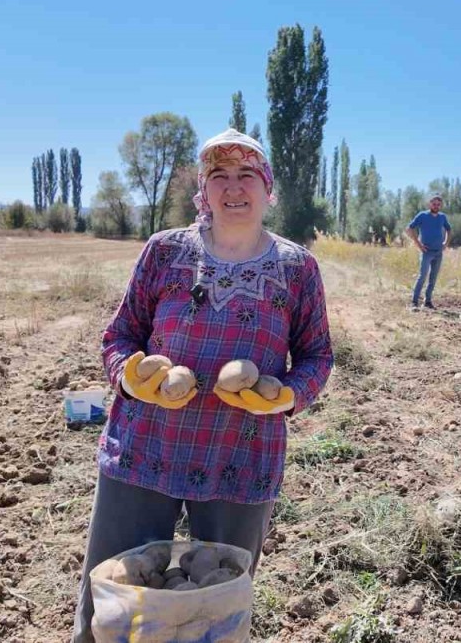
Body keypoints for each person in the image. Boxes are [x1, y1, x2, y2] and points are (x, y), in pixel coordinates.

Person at [72, 128, 333, 642]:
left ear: (267, 188)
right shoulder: (164, 252)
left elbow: (317, 356)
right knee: (115, 601)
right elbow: (119, 334)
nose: (233, 188)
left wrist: (286, 395)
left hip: (240, 457)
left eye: (246, 176)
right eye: (219, 176)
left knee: (217, 601)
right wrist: (130, 377)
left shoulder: (298, 268)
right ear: (203, 190)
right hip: (146, 452)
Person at [405, 194, 451, 309]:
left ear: (440, 206)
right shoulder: (422, 216)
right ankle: (414, 302)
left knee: (433, 278)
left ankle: (428, 301)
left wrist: (446, 243)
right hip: (426, 252)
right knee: (422, 276)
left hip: (438, 252)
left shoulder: (442, 217)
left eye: (438, 204)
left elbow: (449, 229)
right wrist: (418, 244)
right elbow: (409, 229)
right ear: (430, 204)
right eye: (434, 204)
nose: (436, 206)